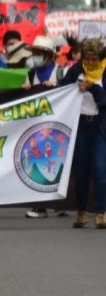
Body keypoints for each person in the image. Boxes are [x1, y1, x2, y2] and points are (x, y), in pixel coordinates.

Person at [59, 39, 106, 228]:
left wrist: (92, 87)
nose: (92, 62)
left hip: (99, 127)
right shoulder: (76, 70)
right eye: (88, 58)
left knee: (100, 170)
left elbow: (104, 101)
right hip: (79, 126)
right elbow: (61, 90)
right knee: (81, 172)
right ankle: (81, 212)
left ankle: (101, 212)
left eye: (95, 58)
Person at [22, 36, 62, 220]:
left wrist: (57, 87)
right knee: (39, 164)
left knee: (58, 164)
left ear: (48, 55)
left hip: (58, 128)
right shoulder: (30, 73)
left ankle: (60, 204)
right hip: (37, 128)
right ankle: (40, 206)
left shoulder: (60, 72)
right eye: (34, 52)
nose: (36, 56)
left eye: (39, 53)